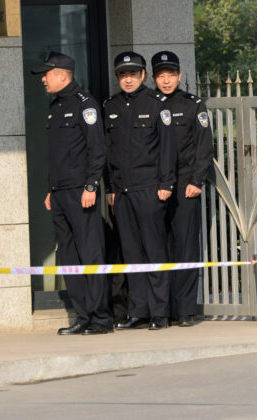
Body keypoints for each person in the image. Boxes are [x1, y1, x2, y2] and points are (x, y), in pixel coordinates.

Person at [31, 52, 113, 335]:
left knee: (90, 254)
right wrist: (51, 190)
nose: (43, 79)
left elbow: (97, 148)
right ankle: (83, 316)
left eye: (47, 74)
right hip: (60, 193)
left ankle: (100, 318)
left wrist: (91, 185)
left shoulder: (85, 104)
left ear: (62, 74)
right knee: (68, 257)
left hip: (81, 192)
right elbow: (57, 156)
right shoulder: (55, 106)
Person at [104, 52, 177, 330]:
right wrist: (110, 188)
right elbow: (109, 151)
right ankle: (139, 311)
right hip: (121, 192)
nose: (128, 79)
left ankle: (160, 312)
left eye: (133, 74)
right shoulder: (110, 106)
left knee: (154, 249)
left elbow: (168, 149)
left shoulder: (157, 104)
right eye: (123, 75)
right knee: (132, 252)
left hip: (150, 189)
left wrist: (166, 184)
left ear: (144, 75)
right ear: (117, 78)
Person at [151, 51, 213, 327]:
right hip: (155, 187)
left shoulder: (193, 105)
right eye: (161, 76)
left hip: (185, 185)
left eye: (171, 75)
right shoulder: (149, 104)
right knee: (158, 247)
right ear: (153, 77)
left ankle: (186, 310)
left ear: (179, 75)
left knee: (186, 246)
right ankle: (164, 310)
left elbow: (204, 147)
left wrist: (196, 181)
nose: (166, 81)